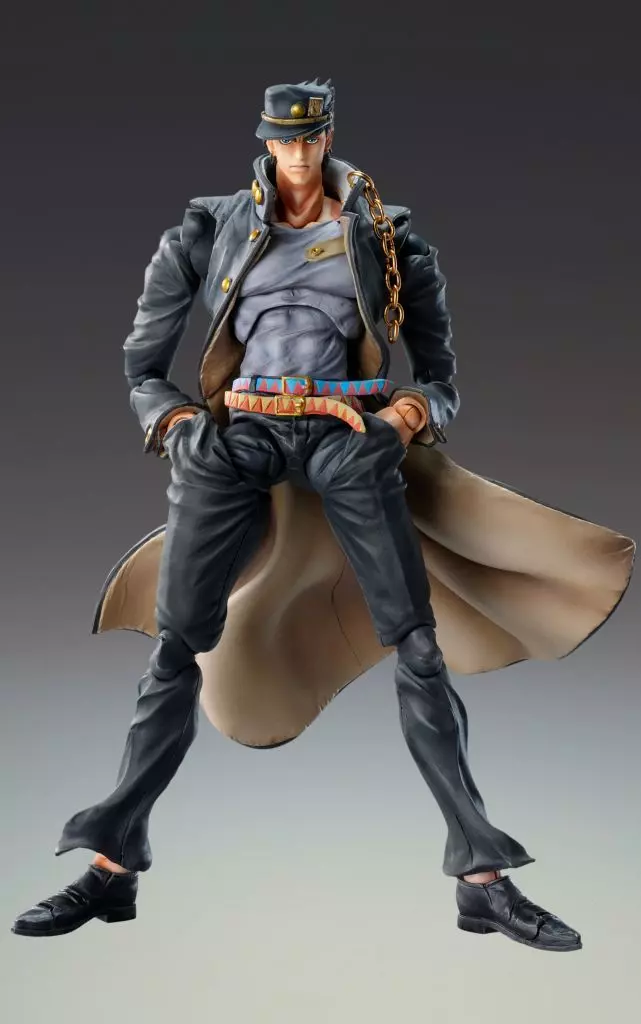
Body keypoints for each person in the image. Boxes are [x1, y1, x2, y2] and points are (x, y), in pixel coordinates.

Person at [12, 77, 623, 951]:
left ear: (327, 137)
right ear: (264, 142)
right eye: (282, 139)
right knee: (177, 646)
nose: (296, 153)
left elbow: (439, 376)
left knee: (417, 644)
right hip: (240, 436)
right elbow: (143, 364)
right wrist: (179, 424)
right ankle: (111, 868)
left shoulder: (384, 234)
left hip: (348, 436)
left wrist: (403, 420)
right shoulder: (208, 229)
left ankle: (481, 880)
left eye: (308, 138)